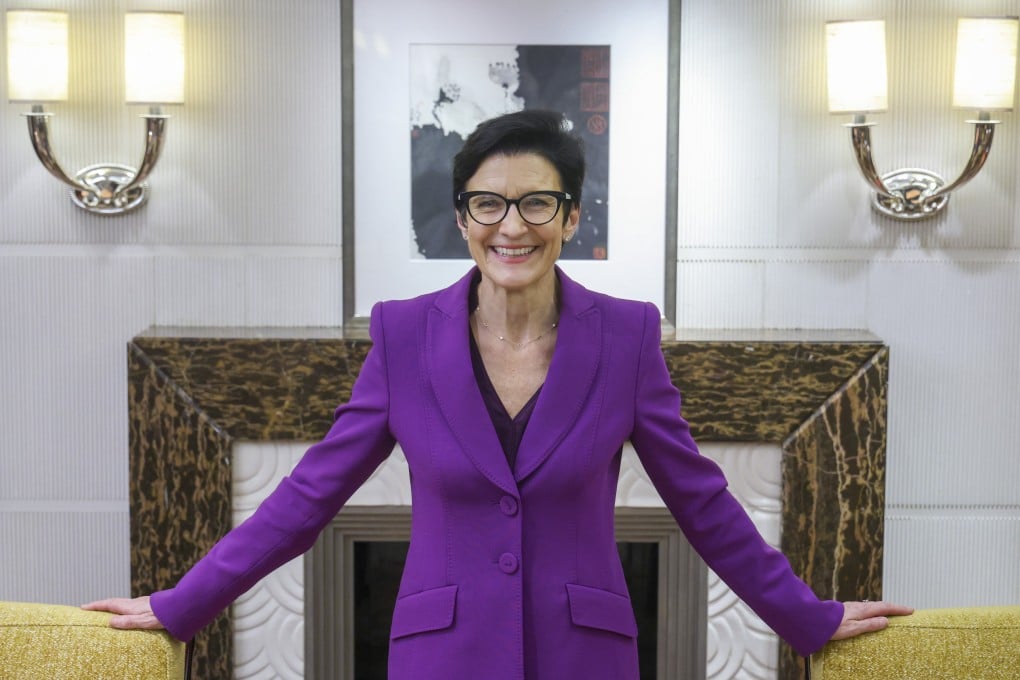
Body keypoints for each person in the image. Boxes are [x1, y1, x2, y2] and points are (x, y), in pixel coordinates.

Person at [85, 109, 911, 679]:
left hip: (585, 653)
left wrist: (806, 615)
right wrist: (179, 604)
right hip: (439, 652)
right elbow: (307, 495)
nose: (511, 225)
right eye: (489, 203)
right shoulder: (403, 334)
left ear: (572, 217)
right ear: (462, 216)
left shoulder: (626, 336)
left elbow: (701, 501)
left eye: (536, 203)